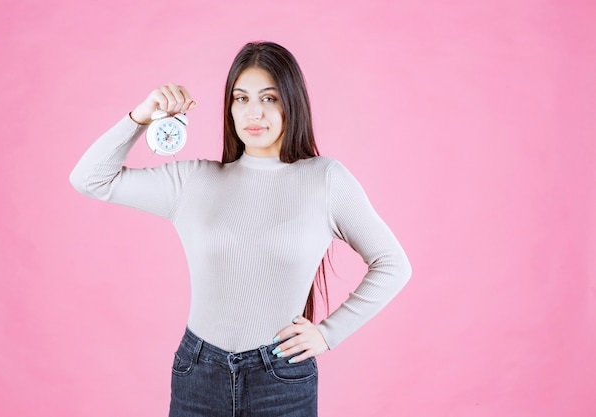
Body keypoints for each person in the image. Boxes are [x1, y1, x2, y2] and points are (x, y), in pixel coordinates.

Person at [70, 41, 412, 417]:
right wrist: (142, 115)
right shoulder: (194, 181)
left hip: (281, 379)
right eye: (241, 98)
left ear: (291, 102)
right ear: (229, 107)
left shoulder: (325, 179)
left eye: (269, 98)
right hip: (198, 374)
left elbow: (393, 263)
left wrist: (329, 334)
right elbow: (90, 179)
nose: (254, 112)